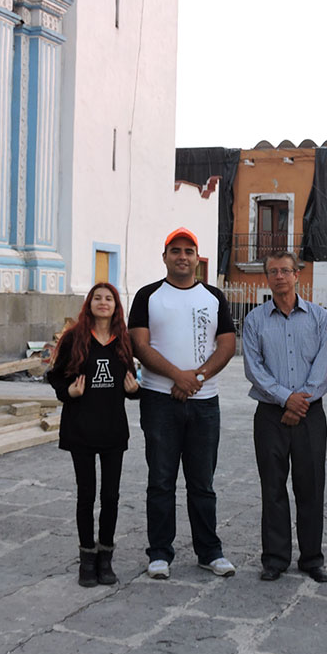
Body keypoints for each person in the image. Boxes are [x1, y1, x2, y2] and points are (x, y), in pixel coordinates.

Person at [128, 227, 238, 579]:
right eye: (175, 251)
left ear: (197, 259)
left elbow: (227, 345)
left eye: (188, 251)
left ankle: (209, 551)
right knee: (161, 480)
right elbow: (140, 346)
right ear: (165, 257)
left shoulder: (213, 297)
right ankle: (160, 552)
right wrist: (178, 376)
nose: (182, 257)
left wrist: (197, 379)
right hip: (159, 402)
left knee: (202, 482)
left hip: (205, 403)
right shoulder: (148, 296)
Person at [242, 251, 327, 582]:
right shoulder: (254, 320)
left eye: (285, 270)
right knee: (273, 487)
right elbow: (254, 369)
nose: (279, 276)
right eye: (273, 272)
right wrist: (286, 400)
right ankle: (275, 559)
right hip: (270, 414)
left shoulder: (319, 317)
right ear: (266, 278)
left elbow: (325, 365)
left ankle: (312, 559)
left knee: (311, 487)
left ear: (297, 275)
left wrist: (301, 402)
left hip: (310, 413)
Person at [47, 283, 140, 588]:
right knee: (86, 494)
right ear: (89, 304)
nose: (103, 302)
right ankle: (87, 558)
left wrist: (134, 391)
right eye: (97, 298)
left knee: (110, 496)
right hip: (81, 428)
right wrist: (68, 392)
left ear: (116, 306)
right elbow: (55, 375)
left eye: (109, 298)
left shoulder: (123, 340)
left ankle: (106, 556)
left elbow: (131, 383)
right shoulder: (75, 337)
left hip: (113, 428)